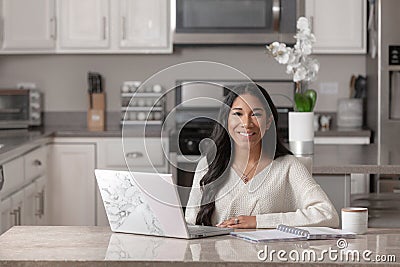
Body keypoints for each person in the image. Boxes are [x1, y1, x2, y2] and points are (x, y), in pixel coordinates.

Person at [185, 83, 339, 229]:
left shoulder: (288, 166)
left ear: (268, 122)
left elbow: (328, 214)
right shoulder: (208, 164)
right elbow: (190, 221)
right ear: (226, 120)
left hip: (269, 255)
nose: (246, 123)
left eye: (256, 114)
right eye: (238, 114)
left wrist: (258, 222)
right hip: (213, 254)